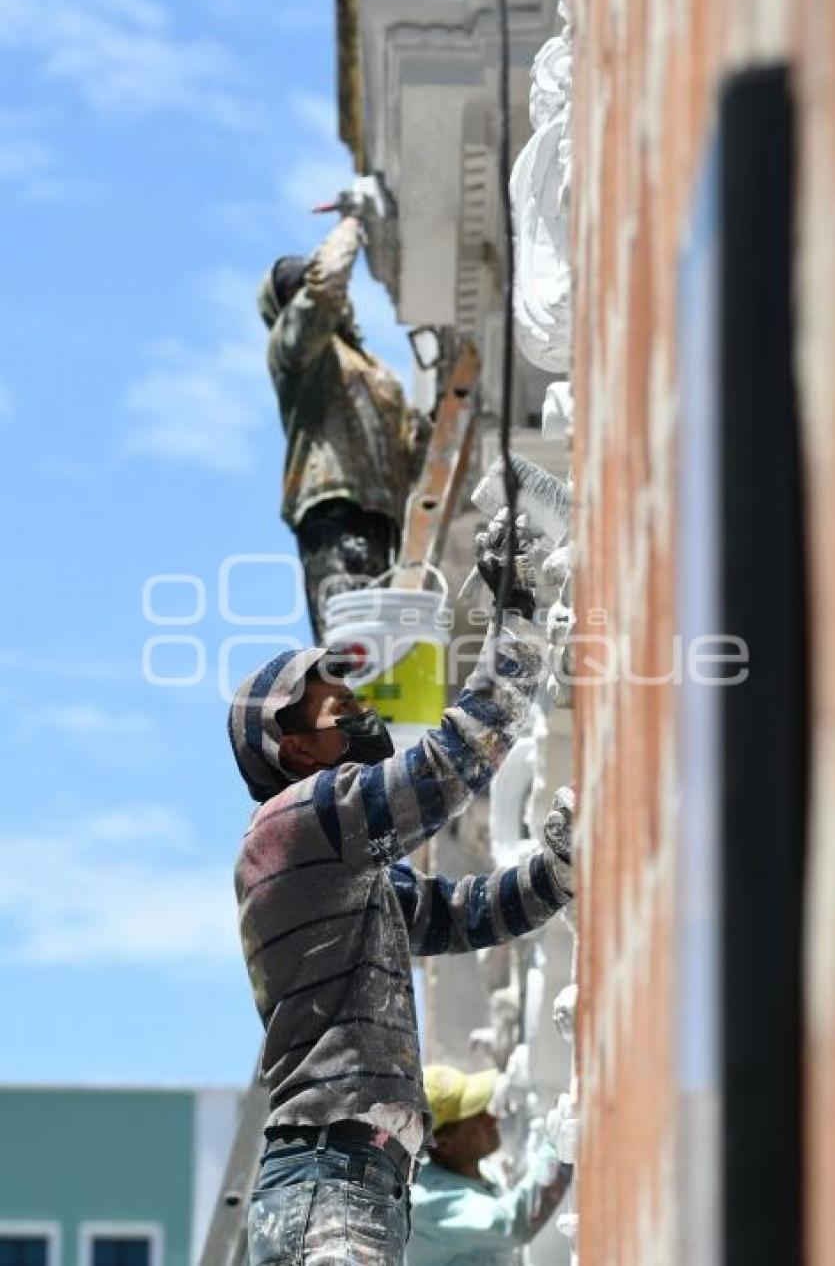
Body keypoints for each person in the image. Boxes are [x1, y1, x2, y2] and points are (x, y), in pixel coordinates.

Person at [227, 520, 575, 1265]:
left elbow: (458, 914)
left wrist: (555, 873)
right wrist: (514, 618)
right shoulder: (297, 821)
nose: (354, 704)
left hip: (352, 1179)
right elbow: (446, 769)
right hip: (329, 1179)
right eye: (332, 701)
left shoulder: (345, 871)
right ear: (291, 746)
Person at [257, 201, 430, 639]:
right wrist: (352, 222)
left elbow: (408, 445)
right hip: (334, 512)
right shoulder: (296, 353)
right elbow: (324, 288)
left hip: (381, 518)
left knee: (379, 648)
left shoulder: (367, 366)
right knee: (353, 647)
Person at [408, 1064, 572, 1266]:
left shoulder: (477, 1171)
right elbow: (512, 1224)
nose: (491, 1118)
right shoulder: (430, 1202)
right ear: (444, 1144)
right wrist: (559, 1142)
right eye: (476, 1116)